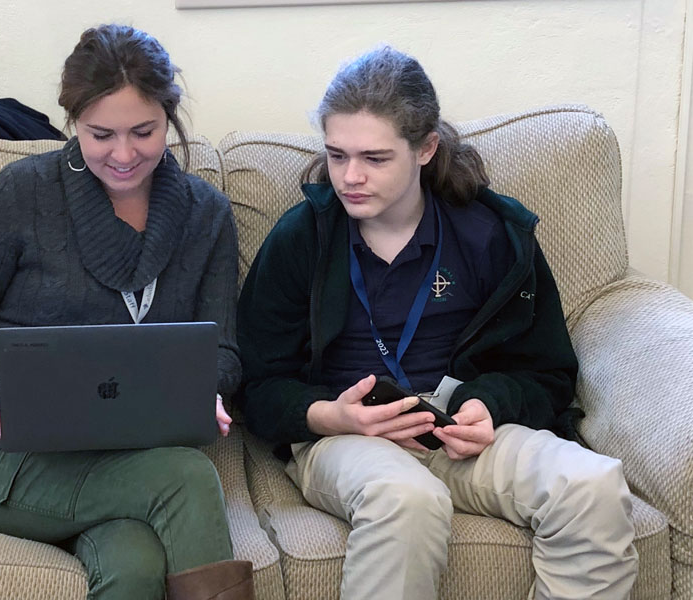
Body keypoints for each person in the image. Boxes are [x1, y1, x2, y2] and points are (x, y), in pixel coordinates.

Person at [237, 45, 638, 600]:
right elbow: (256, 382)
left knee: (592, 486)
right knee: (406, 500)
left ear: (425, 149)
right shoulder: (302, 237)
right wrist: (331, 416)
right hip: (346, 437)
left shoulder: (489, 234)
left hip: (453, 428)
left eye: (375, 158)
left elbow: (545, 370)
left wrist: (488, 405)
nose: (349, 177)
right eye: (336, 155)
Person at [0, 24, 253, 600]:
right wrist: (25, 383)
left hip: (133, 454)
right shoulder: (22, 192)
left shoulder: (206, 214)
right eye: (102, 135)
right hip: (14, 459)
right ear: (73, 122)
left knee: (134, 564)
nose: (124, 155)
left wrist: (204, 389)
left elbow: (224, 350)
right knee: (186, 476)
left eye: (144, 132)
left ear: (169, 119)